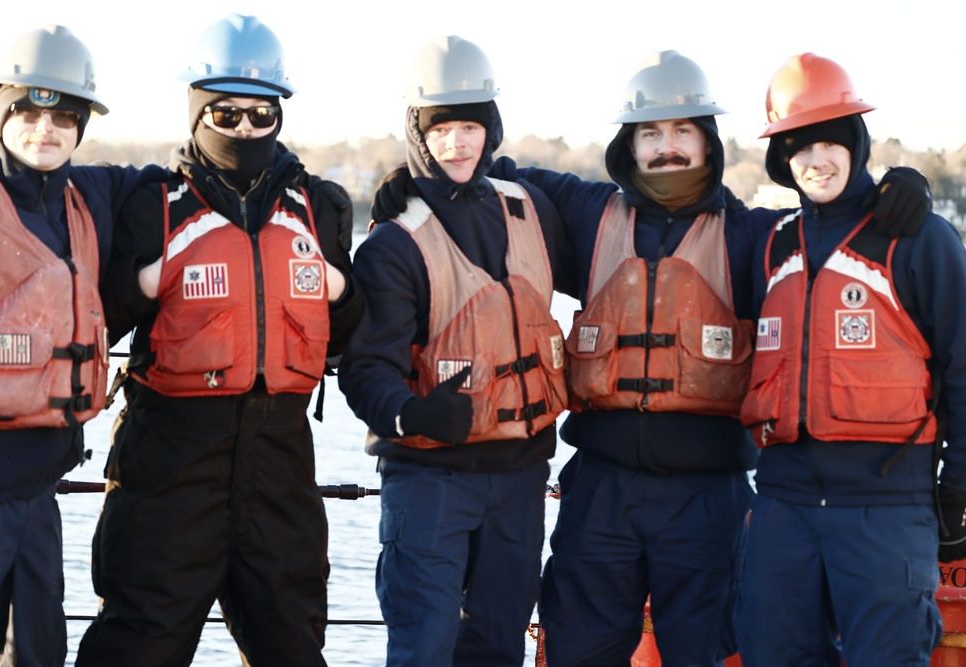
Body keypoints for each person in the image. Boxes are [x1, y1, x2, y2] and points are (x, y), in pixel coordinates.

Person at [369, 50, 932, 667]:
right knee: (578, 648)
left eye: (683, 130)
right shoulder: (583, 214)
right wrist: (413, 182)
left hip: (707, 499)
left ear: (709, 141)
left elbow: (829, 220)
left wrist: (897, 188)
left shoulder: (755, 238)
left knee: (702, 651)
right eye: (651, 133)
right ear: (628, 147)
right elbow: (480, 167)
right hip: (599, 495)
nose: (668, 147)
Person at [73, 14, 363, 667]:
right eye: (226, 115)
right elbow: (101, 319)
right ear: (198, 112)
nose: (245, 130)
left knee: (291, 642)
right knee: (138, 641)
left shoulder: (322, 208)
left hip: (281, 461)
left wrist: (345, 292)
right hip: (169, 459)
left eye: (261, 115)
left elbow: (348, 337)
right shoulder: (154, 203)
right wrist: (142, 281)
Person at [337, 35, 575, 667]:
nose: (458, 143)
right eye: (441, 130)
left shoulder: (531, 209)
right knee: (426, 644)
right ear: (418, 134)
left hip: (521, 476)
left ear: (490, 129)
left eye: (471, 126)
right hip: (431, 482)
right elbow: (365, 369)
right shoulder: (392, 244)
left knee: (498, 645)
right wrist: (407, 414)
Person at [736, 52, 966, 666]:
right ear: (781, 160)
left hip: (886, 508)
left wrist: (960, 484)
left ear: (856, 142)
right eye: (798, 147)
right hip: (783, 507)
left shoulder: (920, 238)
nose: (816, 160)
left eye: (830, 141)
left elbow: (965, 366)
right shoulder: (770, 246)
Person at [0, 24, 164, 667]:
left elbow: (187, 172)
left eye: (62, 115)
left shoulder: (91, 196)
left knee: (37, 654)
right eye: (27, 110)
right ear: (1, 113)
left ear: (81, 125)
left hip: (37, 492)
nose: (43, 130)